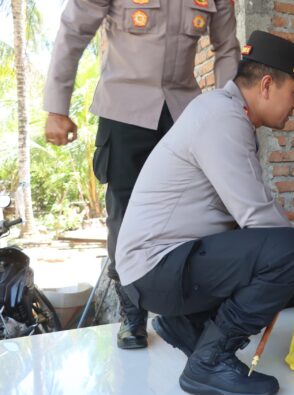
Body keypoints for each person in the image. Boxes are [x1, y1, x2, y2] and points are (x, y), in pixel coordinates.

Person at [115, 31, 294, 395]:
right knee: (290, 251)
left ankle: (188, 327)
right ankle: (210, 361)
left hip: (157, 268)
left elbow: (250, 212)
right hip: (157, 269)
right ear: (268, 85)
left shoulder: (222, 113)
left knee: (288, 253)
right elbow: (256, 215)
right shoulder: (221, 118)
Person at [43, 0, 240, 350]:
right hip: (124, 111)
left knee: (194, 214)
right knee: (124, 214)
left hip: (182, 114)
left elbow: (226, 47)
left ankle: (184, 311)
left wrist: (228, 109)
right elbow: (75, 29)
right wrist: (57, 106)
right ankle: (132, 313)